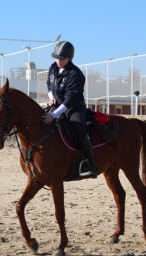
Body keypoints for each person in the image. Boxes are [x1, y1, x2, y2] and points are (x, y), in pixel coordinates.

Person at [43, 41, 97, 178]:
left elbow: (69, 100)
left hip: (73, 108)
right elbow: (49, 85)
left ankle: (91, 163)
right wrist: (51, 97)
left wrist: (54, 114)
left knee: (79, 130)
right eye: (56, 57)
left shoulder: (76, 74)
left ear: (70, 58)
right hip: (56, 105)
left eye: (62, 59)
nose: (58, 61)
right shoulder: (52, 68)